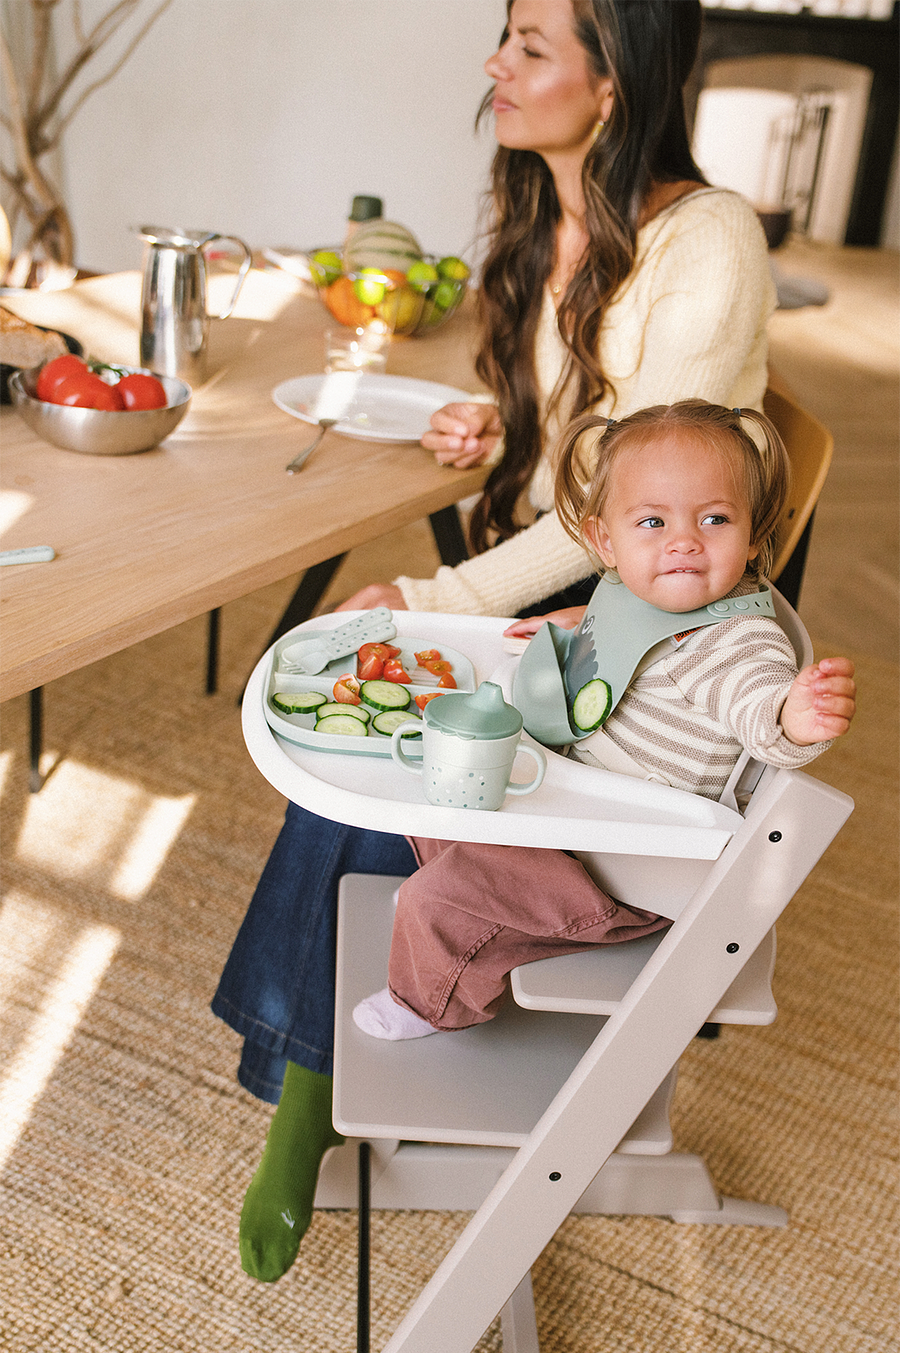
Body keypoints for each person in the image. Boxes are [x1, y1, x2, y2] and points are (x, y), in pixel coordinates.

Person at [214, 0, 778, 1282]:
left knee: (391, 713)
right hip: (564, 574)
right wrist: (501, 427)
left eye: (531, 46)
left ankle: (307, 1090)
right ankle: (316, 1065)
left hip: (641, 618)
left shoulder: (710, 242)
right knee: (358, 704)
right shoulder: (547, 213)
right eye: (505, 37)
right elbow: (588, 439)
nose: (495, 67)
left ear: (617, 79)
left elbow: (629, 508)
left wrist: (441, 599)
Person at [352, 400, 857, 1042]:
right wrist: (580, 625)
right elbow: (625, 622)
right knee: (441, 795)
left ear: (754, 536)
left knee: (438, 900)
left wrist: (791, 714)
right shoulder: (644, 588)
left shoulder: (735, 643)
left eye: (715, 519)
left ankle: (427, 1000)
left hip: (619, 868)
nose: (683, 541)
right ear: (604, 542)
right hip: (578, 816)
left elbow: (753, 701)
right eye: (652, 521)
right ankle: (468, 911)